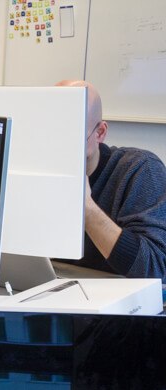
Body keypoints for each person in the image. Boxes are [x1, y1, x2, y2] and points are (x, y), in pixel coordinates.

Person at [57, 80, 166, 280]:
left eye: (70, 134)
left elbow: (154, 269)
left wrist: (86, 208)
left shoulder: (140, 170)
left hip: (116, 304)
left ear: (100, 133)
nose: (57, 145)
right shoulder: (33, 170)